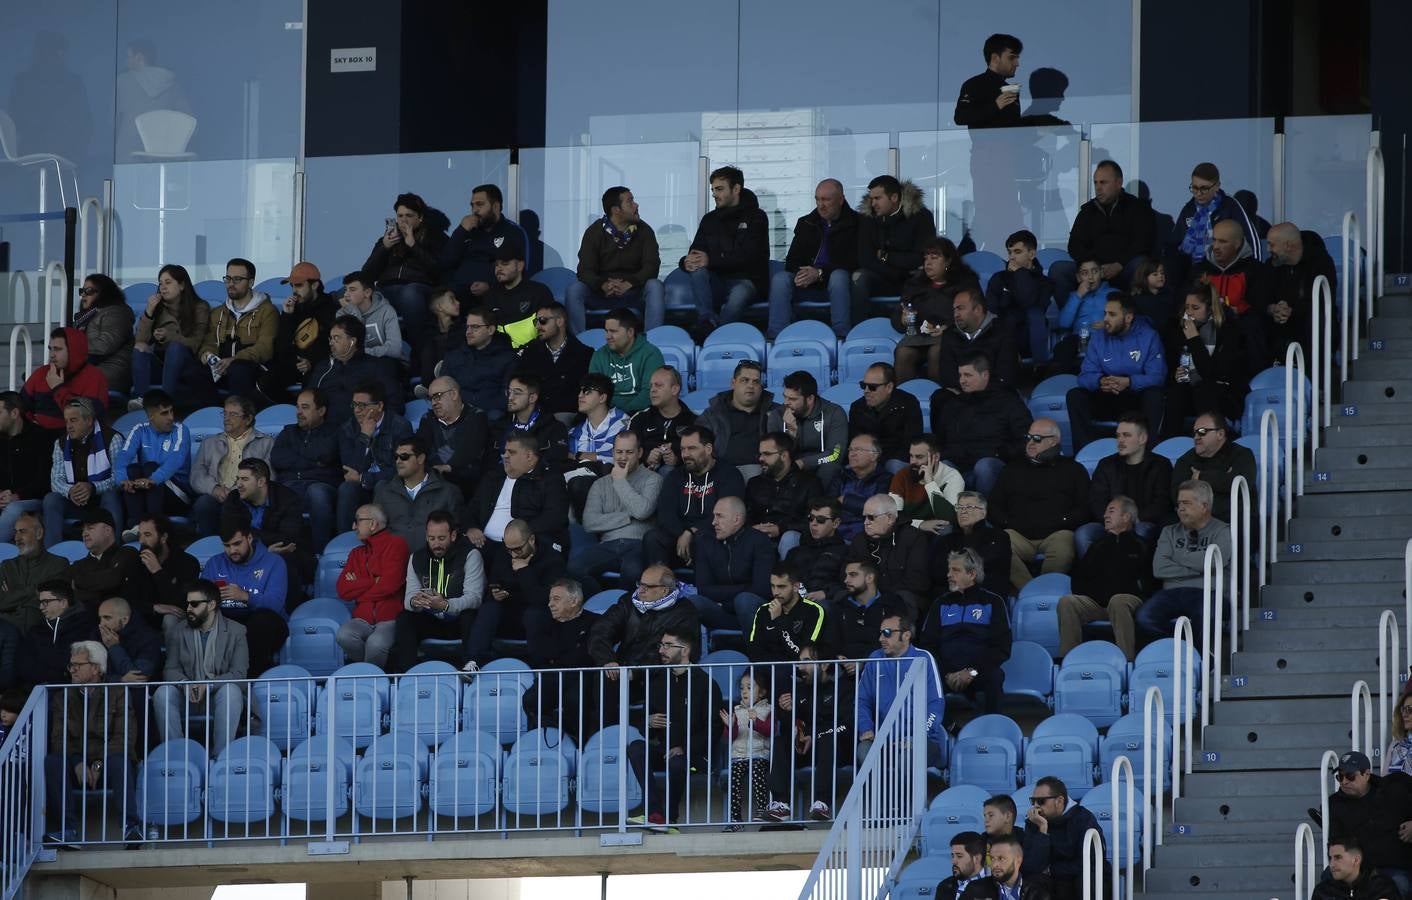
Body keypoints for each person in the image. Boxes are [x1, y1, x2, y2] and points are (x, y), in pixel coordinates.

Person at [42, 641, 141, 846]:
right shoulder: (63, 696)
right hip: (77, 764)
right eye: (71, 665)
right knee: (53, 762)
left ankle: (131, 828)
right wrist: (78, 763)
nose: (73, 670)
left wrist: (97, 764)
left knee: (119, 761)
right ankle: (68, 830)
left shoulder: (117, 692)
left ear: (96, 668)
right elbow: (59, 739)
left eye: (78, 664)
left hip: (107, 764)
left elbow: (123, 738)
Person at [626, 626, 722, 831]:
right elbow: (647, 729)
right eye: (661, 645)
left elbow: (714, 727)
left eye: (668, 645)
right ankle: (655, 814)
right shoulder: (657, 682)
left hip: (694, 755)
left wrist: (685, 747)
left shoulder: (705, 683)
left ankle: (670, 820)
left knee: (678, 762)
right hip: (665, 750)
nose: (662, 650)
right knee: (635, 747)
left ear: (685, 651)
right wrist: (648, 722)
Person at [988, 418, 1090, 590]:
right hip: (1018, 533)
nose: (1030, 443)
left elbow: (1085, 507)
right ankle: (1030, 590)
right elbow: (993, 505)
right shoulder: (1012, 469)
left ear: (1054, 441)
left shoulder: (1073, 469)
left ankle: (1046, 591)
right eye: (1028, 437)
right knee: (997, 543)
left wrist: (1062, 521)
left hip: (1056, 533)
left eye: (1037, 439)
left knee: (1064, 547)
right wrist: (1007, 523)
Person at [762, 641, 854, 822]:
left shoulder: (844, 688)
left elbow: (847, 726)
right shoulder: (799, 689)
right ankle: (781, 804)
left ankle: (822, 803)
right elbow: (792, 728)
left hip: (836, 749)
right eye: (799, 661)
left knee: (829, 741)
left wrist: (817, 735)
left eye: (806, 661)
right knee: (781, 742)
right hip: (807, 748)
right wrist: (787, 712)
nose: (800, 667)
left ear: (825, 665)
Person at [153, 580, 248, 754]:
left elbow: (239, 674)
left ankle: (221, 756)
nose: (188, 608)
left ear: (212, 605)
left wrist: (208, 685)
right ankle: (175, 754)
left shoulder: (237, 631)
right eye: (187, 603)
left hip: (217, 697)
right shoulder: (178, 630)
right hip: (186, 696)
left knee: (231, 691)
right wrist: (185, 684)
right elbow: (170, 669)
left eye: (195, 604)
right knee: (162, 693)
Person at [1134, 480, 1233, 645]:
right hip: (1171, 593)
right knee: (1144, 618)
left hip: (1209, 592)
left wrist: (1178, 556)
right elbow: (1159, 568)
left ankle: (1202, 662)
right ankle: (1179, 647)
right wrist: (1201, 569)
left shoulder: (1222, 530)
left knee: (1208, 614)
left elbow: (1218, 561)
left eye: (1186, 503)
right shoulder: (1169, 531)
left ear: (1204, 506)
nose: (1180, 508)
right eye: (1179, 503)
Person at [1066, 293, 1166, 450]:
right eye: (1105, 313)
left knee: (1154, 395)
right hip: (1107, 394)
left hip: (1134, 397)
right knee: (1075, 395)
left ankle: (1148, 452)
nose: (1105, 319)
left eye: (1112, 314)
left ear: (1128, 318)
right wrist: (1100, 381)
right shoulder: (1098, 337)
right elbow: (1084, 376)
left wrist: (1129, 382)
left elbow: (1157, 377)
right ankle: (1086, 452)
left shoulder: (1149, 336)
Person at [1057, 497, 1152, 661]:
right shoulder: (1096, 546)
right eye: (1106, 511)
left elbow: (1151, 580)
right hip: (1099, 605)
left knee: (1118, 601)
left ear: (1126, 517)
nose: (1105, 516)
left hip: (1131, 603)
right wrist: (1097, 594)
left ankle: (1126, 661)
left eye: (1111, 511)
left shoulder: (1142, 545)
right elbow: (1078, 579)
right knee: (1067, 602)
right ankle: (1069, 661)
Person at [388, 510, 484, 673]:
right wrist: (415, 602)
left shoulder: (470, 555)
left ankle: (469, 668)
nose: (436, 544)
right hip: (431, 619)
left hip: (458, 619)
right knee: (405, 617)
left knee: (470, 615)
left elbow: (474, 598)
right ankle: (407, 674)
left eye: (441, 538)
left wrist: (445, 605)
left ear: (453, 536)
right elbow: (408, 599)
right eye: (431, 538)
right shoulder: (416, 558)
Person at [953, 34, 1025, 249]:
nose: (1017, 63)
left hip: (1009, 159)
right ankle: (968, 255)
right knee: (990, 209)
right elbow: (960, 117)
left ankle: (994, 252)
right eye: (1012, 57)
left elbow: (1014, 127)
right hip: (986, 158)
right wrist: (995, 105)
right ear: (995, 58)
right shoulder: (974, 85)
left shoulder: (1010, 90)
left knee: (1005, 210)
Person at [677, 165, 770, 330]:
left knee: (738, 295)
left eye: (719, 189)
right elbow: (697, 250)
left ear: (736, 189)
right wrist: (686, 262)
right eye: (713, 190)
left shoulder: (757, 217)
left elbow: (750, 257)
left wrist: (709, 261)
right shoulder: (709, 220)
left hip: (747, 281)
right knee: (697, 271)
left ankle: (715, 333)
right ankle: (706, 321)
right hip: (717, 282)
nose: (714, 194)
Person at [919, 549, 1011, 715]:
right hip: (946, 673)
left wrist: (971, 671)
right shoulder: (940, 604)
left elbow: (1001, 648)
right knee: (922, 681)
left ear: (972, 574)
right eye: (949, 569)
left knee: (995, 676)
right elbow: (928, 646)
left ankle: (992, 730)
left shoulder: (993, 602)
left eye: (955, 570)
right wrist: (947, 674)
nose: (949, 575)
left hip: (979, 671)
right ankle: (945, 732)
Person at [641, 425, 746, 568]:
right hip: (679, 541)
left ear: (708, 449)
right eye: (683, 449)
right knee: (653, 538)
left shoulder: (729, 475)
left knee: (704, 540)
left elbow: (727, 516)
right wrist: (683, 535)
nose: (685, 454)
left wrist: (692, 532)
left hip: (712, 538)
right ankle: (661, 585)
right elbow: (666, 515)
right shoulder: (675, 476)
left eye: (692, 448)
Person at [768, 178, 860, 339]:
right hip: (806, 280)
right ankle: (777, 337)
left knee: (839, 276)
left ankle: (841, 336)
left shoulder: (858, 223)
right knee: (781, 278)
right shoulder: (806, 223)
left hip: (836, 281)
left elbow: (855, 260)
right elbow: (792, 261)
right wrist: (804, 274)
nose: (820, 205)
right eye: (817, 199)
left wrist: (819, 273)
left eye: (826, 200)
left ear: (841, 199)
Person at [567, 185, 666, 335]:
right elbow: (584, 270)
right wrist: (603, 284)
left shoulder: (644, 230)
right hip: (602, 293)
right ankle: (579, 343)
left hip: (634, 292)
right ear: (616, 210)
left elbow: (652, 266)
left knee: (655, 286)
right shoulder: (594, 232)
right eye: (630, 202)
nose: (636, 205)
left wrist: (630, 283)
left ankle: (653, 343)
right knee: (574, 290)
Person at [574, 430, 661, 595]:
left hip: (638, 545)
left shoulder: (653, 479)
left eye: (629, 452)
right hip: (608, 545)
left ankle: (625, 612)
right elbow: (589, 523)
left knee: (633, 571)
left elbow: (642, 511)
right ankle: (601, 602)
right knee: (574, 568)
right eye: (619, 452)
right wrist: (628, 515)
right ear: (613, 453)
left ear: (640, 453)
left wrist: (620, 481)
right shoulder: (600, 484)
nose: (623, 457)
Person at [932, 352, 1031, 497]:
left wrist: (998, 453)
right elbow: (941, 440)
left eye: (968, 375)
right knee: (943, 466)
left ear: (985, 375)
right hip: (961, 465)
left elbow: (1025, 440)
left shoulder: (1008, 402)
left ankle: (987, 516)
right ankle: (951, 516)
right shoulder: (954, 404)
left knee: (984, 466)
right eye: (960, 375)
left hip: (996, 465)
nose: (962, 381)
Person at [200, 519, 289, 676]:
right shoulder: (215, 564)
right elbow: (201, 602)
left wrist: (245, 596)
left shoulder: (273, 562)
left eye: (237, 544)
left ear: (249, 538)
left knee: (261, 622)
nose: (232, 550)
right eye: (227, 546)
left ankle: (250, 682)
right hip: (227, 619)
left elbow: (276, 604)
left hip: (264, 622)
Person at [362, 192, 447, 357]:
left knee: (410, 294)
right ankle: (368, 352)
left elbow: (438, 269)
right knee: (364, 295)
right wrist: (384, 247)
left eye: (409, 215)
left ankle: (419, 352)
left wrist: (413, 245)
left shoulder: (435, 237)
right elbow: (367, 275)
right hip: (387, 288)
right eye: (400, 216)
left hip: (419, 288)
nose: (403, 220)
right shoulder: (386, 239)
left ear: (420, 218)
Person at [1075, 413, 1171, 558]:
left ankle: (1137, 578)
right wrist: (1112, 521)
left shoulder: (1161, 465)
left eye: (1126, 435)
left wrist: (1130, 521)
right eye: (1118, 435)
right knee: (1083, 534)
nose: (1120, 440)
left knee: (1141, 531)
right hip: (1108, 523)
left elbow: (1162, 503)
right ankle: (1095, 576)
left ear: (1142, 438)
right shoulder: (1106, 464)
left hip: (1143, 522)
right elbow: (1096, 500)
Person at [857, 612, 946, 765]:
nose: (881, 639)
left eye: (887, 633)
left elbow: (936, 703)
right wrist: (865, 727)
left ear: (906, 635)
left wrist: (917, 738)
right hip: (882, 740)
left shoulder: (923, 658)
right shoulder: (875, 658)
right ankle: (878, 790)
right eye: (880, 633)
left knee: (905, 760)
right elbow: (861, 700)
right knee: (863, 752)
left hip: (923, 741)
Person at [1162, 282, 1249, 436]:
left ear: (1210, 309)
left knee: (1204, 390)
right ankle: (1169, 444)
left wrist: (1194, 340)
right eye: (1187, 307)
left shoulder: (1228, 330)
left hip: (1225, 391)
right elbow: (1173, 361)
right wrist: (1176, 373)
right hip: (1191, 388)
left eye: (1195, 308)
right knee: (1176, 391)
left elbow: (1214, 372)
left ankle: (1211, 441)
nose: (1189, 313)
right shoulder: (1178, 327)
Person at [465, 432, 570, 558]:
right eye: (505, 451)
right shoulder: (492, 477)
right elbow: (472, 509)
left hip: (521, 547)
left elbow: (555, 517)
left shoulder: (550, 480)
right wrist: (471, 527)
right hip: (483, 543)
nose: (505, 456)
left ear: (529, 456)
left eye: (511, 452)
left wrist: (520, 534)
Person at [894, 237, 982, 383]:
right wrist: (902, 319)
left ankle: (941, 397)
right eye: (926, 258)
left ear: (948, 261)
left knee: (938, 352)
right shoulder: (915, 284)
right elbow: (898, 314)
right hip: (919, 336)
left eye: (934, 258)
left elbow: (975, 315)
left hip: (953, 333)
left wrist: (949, 327)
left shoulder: (966, 283)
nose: (928, 263)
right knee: (903, 353)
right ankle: (905, 399)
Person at [1324, 750, 1412, 897]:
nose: (1344, 781)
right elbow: (1335, 841)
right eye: (1340, 776)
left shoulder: (1394, 789)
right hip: (1357, 868)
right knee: (1328, 878)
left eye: (1350, 776)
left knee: (1398, 883)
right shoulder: (1335, 804)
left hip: (1394, 867)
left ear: (1366, 774)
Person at [851, 175, 936, 324]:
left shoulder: (921, 217)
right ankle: (858, 330)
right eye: (871, 199)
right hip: (884, 276)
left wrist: (885, 256)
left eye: (878, 198)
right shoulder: (867, 218)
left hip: (912, 277)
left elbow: (921, 257)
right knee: (859, 277)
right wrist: (897, 270)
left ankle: (921, 328)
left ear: (894, 197)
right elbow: (865, 258)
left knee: (924, 276)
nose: (873, 203)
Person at [521, 578, 601, 735]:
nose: (550, 604)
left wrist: (557, 656)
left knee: (574, 701)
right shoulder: (543, 622)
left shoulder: (595, 622)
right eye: (550, 599)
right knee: (531, 700)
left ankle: (578, 742)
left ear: (574, 601)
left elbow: (587, 656)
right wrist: (571, 652)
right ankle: (549, 736)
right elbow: (537, 655)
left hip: (581, 677)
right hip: (551, 677)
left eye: (556, 599)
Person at [222, 458, 314, 592]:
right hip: (246, 552)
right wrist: (263, 552)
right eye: (238, 479)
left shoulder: (287, 499)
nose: (239, 484)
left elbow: (287, 539)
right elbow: (229, 533)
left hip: (286, 556)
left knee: (282, 560)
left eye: (245, 479)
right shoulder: (233, 499)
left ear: (261, 481)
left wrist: (248, 535)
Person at [42, 398, 124, 547]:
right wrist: (71, 491)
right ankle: (52, 553)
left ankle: (114, 550)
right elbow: (56, 480)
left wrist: (92, 488)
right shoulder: (60, 443)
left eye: (73, 420)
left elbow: (120, 479)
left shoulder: (112, 439)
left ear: (89, 421)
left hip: (101, 502)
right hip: (74, 502)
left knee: (111, 495)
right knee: (51, 499)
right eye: (66, 421)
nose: (69, 426)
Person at [588, 565, 701, 673]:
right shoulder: (628, 602)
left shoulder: (684, 612)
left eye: (647, 587)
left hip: (660, 679)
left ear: (664, 591)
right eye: (640, 584)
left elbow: (678, 652)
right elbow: (601, 630)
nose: (640, 590)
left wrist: (637, 672)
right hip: (621, 671)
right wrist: (607, 661)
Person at [335, 504, 410, 668]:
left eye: (358, 520)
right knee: (343, 635)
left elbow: (390, 585)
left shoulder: (397, 545)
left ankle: (367, 681)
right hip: (362, 619)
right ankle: (373, 676)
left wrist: (358, 587)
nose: (353, 526)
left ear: (373, 524)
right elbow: (343, 589)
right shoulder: (356, 553)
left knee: (376, 644)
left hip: (390, 619)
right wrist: (372, 581)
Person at [336, 382, 414, 539]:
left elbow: (400, 469)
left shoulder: (400, 426)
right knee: (346, 488)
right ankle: (343, 542)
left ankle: (383, 541)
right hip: (361, 487)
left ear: (379, 406)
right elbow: (349, 470)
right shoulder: (347, 429)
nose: (357, 410)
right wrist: (364, 437)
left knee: (382, 485)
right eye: (354, 405)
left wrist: (363, 478)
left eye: (362, 405)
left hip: (388, 486)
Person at [1166, 162, 1262, 286]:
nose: (1198, 193)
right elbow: (1176, 246)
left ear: (1217, 186)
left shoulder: (1230, 206)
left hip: (1229, 275)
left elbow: (1252, 242)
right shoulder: (1189, 209)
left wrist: (1256, 276)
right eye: (1194, 188)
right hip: (1196, 274)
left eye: (1204, 188)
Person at [190, 395, 274, 535]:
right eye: (225, 413)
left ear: (248, 419)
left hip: (246, 497)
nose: (226, 418)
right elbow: (196, 474)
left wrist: (235, 492)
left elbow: (268, 476)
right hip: (215, 495)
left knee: (237, 507)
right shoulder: (209, 443)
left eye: (233, 414)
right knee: (204, 504)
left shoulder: (266, 443)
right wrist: (214, 488)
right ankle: (209, 545)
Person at [270, 388, 341, 551]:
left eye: (305, 407)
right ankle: (283, 551)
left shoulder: (335, 432)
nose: (299, 412)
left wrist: (297, 457)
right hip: (290, 485)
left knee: (317, 493)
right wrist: (314, 462)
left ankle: (320, 552)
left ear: (321, 411)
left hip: (320, 485)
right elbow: (277, 459)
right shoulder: (288, 431)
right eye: (298, 407)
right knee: (273, 495)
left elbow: (326, 453)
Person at [257, 261, 338, 406]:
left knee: (312, 383)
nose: (294, 290)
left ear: (314, 285)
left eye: (299, 285)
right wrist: (287, 316)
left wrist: (311, 362)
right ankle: (294, 407)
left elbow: (332, 344)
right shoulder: (294, 308)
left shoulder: (331, 309)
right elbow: (281, 347)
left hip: (319, 365)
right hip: (295, 364)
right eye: (292, 286)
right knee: (265, 382)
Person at [1067, 160, 1157, 290]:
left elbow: (1143, 243)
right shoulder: (1088, 210)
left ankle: (1136, 308)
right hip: (1093, 269)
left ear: (1118, 183)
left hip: (1124, 267)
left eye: (1103, 182)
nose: (1098, 187)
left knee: (1141, 264)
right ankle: (1073, 308)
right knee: (1060, 270)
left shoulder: (1138, 208)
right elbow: (1074, 244)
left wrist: (1119, 264)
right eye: (1096, 182)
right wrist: (1093, 266)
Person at [1194, 219, 1273, 366]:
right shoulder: (1199, 270)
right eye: (1214, 240)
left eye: (1223, 242)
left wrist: (1235, 311)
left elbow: (1259, 305)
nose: (1216, 246)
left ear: (1237, 244)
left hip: (1239, 324)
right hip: (1205, 320)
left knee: (1253, 326)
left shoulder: (1256, 270)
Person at [197, 258, 278, 401]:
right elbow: (209, 342)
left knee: (238, 369)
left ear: (251, 282)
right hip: (221, 367)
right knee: (194, 371)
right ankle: (212, 414)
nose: (230, 284)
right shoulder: (218, 312)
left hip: (251, 367)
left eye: (237, 279)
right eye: (227, 279)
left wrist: (234, 359)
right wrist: (207, 354)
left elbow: (265, 348)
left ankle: (237, 417)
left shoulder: (267, 311)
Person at [114, 389, 192, 535]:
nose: (171, 417)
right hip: (149, 490)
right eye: (164, 413)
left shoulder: (181, 430)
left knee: (150, 466)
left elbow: (175, 461)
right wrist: (122, 480)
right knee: (132, 470)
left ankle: (154, 526)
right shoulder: (139, 430)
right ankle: (136, 526)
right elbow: (123, 457)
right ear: (151, 416)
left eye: (171, 411)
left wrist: (153, 479)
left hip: (177, 494)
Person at [693, 496, 774, 635]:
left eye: (719, 516)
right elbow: (704, 589)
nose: (713, 522)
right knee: (693, 602)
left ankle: (759, 653)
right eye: (714, 516)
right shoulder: (705, 541)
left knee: (744, 601)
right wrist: (744, 588)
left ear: (736, 519)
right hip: (723, 614)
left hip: (754, 612)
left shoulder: (759, 541)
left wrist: (726, 604)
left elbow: (762, 590)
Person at [306, 316, 404, 428]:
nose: (331, 343)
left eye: (336, 338)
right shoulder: (323, 368)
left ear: (352, 341)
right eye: (331, 338)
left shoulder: (376, 367)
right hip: (325, 435)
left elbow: (395, 405)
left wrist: (374, 427)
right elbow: (308, 401)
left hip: (360, 434)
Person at [372, 436, 464, 553]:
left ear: (421, 459)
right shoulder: (383, 491)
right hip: (393, 560)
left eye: (404, 457)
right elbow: (375, 530)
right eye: (396, 457)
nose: (398, 461)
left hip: (433, 560)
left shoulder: (448, 491)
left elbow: (456, 531)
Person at [1267, 221, 1338, 366]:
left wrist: (1291, 311)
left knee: (1317, 318)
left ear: (1288, 246)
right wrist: (1272, 309)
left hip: (1308, 325)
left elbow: (1322, 300)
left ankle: (1317, 381)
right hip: (1280, 325)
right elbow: (1261, 295)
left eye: (1272, 245)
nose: (1268, 249)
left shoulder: (1320, 263)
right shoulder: (1271, 265)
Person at [1021, 776, 1102, 900]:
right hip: (1053, 881)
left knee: (1087, 880)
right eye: (1033, 801)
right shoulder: (1034, 822)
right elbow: (1031, 867)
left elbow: (1090, 862)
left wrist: (1051, 870)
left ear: (1059, 801)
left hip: (1079, 878)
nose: (1035, 806)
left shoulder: (1083, 819)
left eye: (1041, 801)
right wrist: (1043, 829)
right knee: (1031, 883)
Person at [851, 494, 932, 616]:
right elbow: (847, 573)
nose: (866, 523)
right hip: (867, 597)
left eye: (871, 517)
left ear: (889, 518)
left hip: (900, 600)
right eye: (864, 518)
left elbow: (917, 581)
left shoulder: (913, 538)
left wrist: (879, 596)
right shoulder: (859, 540)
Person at [1169, 411, 1257, 523]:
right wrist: (1223, 480)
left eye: (1202, 431)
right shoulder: (1186, 460)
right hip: (1194, 519)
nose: (1196, 437)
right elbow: (1177, 495)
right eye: (1194, 432)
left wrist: (1201, 477)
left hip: (1232, 520)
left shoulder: (1242, 455)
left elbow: (1240, 488)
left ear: (1220, 434)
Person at [440, 183, 522, 302]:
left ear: (496, 207)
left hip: (494, 296)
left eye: (480, 204)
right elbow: (446, 262)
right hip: (458, 295)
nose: (474, 210)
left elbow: (519, 271)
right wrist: (460, 231)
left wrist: (490, 286)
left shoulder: (512, 232)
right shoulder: (467, 230)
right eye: (472, 205)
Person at [746, 432, 821, 560]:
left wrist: (780, 528)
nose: (761, 459)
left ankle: (785, 579)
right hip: (759, 538)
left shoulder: (809, 482)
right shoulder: (754, 483)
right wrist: (753, 528)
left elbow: (815, 521)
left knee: (789, 537)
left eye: (767, 454)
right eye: (760, 454)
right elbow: (746, 515)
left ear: (784, 455)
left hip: (792, 538)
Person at [987, 230, 1057, 367]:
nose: (1011, 257)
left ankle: (1039, 367)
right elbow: (992, 308)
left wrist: (1020, 273)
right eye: (1009, 252)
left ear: (1031, 254)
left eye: (1017, 252)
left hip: (1029, 338)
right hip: (1002, 336)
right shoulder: (999, 278)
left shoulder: (1045, 283)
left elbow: (1028, 301)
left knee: (1034, 314)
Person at [414, 375, 488, 501]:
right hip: (433, 483)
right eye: (431, 398)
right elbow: (420, 450)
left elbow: (470, 452)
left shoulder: (476, 417)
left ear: (454, 394)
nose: (433, 403)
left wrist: (448, 468)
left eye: (437, 396)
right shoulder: (428, 419)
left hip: (467, 486)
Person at [23, 327, 109, 435]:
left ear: (73, 350)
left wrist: (57, 389)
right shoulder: (42, 373)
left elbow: (87, 418)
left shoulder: (94, 377)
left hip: (71, 440)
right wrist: (29, 424)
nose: (52, 355)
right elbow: (20, 406)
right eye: (51, 349)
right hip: (36, 436)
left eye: (58, 349)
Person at [565, 372, 630, 516]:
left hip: (613, 485)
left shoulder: (622, 422)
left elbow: (617, 457)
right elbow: (568, 459)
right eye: (580, 391)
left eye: (587, 392)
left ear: (602, 397)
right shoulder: (576, 430)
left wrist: (579, 456)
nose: (580, 396)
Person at [698, 360, 780, 473]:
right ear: (733, 383)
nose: (751, 385)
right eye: (745, 380)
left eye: (756, 381)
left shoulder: (776, 412)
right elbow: (697, 444)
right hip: (721, 473)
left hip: (764, 471)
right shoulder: (714, 414)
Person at [935, 287, 1018, 398]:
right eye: (954, 310)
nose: (956, 314)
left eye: (960, 308)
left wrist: (979, 395)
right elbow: (947, 376)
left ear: (977, 309)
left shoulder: (1003, 331)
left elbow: (1006, 375)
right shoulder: (950, 335)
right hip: (961, 398)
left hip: (996, 397)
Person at [515, 300, 593, 416]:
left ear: (560, 321)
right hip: (535, 414)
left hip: (567, 415)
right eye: (536, 321)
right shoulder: (530, 351)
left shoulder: (584, 353)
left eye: (542, 321)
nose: (537, 326)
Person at [442, 305, 519, 423]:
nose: (468, 332)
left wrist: (475, 405)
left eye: (475, 327)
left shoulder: (508, 358)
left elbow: (508, 395)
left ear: (490, 330)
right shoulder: (454, 356)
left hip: (490, 413)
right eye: (467, 327)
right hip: (458, 411)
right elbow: (445, 388)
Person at [719, 667, 773, 831]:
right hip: (739, 755)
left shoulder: (767, 709)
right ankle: (735, 819)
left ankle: (763, 809)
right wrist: (731, 726)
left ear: (762, 692)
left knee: (758, 774)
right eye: (742, 688)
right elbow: (730, 737)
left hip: (759, 754)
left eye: (750, 688)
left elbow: (769, 731)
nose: (745, 692)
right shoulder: (736, 710)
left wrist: (756, 721)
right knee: (733, 780)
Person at [776, 371, 848, 487]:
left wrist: (803, 463)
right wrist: (791, 433)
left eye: (793, 399)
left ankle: (819, 503)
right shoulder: (777, 416)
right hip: (790, 469)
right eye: (785, 397)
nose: (786, 403)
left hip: (822, 467)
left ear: (810, 399)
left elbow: (836, 454)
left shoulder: (834, 413)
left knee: (830, 467)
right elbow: (775, 457)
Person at [587, 307, 665, 415]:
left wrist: (623, 414)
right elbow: (594, 392)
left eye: (613, 331)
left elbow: (650, 393)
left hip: (642, 414)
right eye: (606, 331)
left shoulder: (651, 354)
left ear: (630, 332)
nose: (607, 336)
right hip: (606, 415)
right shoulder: (599, 355)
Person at [0, 390, 54, 541]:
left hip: (32, 500)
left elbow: (45, 479)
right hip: (5, 499)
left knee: (13, 509)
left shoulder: (40, 437)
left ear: (14, 413)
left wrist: (18, 495)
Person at [0, 512, 67, 633]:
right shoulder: (7, 566)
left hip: (41, 630)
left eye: (23, 531)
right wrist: (35, 591)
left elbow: (52, 602)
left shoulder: (58, 563)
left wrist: (12, 595)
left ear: (39, 533)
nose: (16, 538)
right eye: (16, 532)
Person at [748, 562, 827, 664]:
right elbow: (754, 652)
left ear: (796, 587)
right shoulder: (763, 611)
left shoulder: (813, 611)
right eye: (772, 586)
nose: (775, 592)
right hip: (767, 669)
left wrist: (778, 621)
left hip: (796, 671)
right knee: (748, 678)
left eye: (781, 587)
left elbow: (803, 656)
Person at [67, 507, 143, 611]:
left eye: (90, 528)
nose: (84, 534)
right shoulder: (78, 566)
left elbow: (113, 580)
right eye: (83, 530)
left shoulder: (128, 553)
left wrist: (81, 583)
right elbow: (71, 596)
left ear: (107, 531)